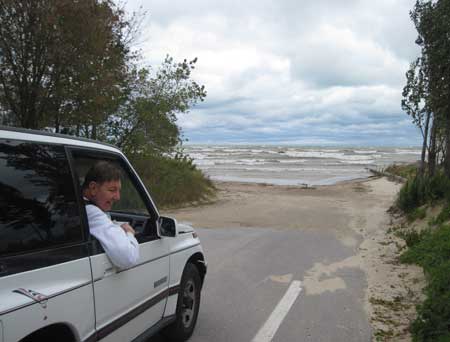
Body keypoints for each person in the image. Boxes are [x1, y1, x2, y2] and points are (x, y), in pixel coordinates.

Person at [82, 161, 139, 269]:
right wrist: (129, 233)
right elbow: (129, 257)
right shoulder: (90, 212)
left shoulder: (78, 206)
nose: (118, 197)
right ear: (93, 188)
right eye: (112, 190)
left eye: (118, 191)